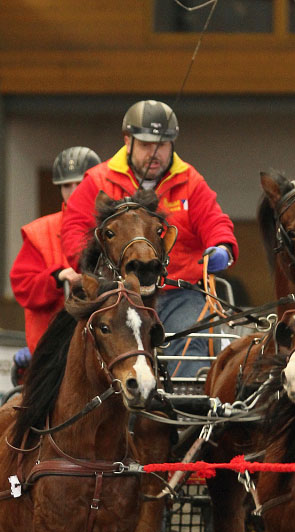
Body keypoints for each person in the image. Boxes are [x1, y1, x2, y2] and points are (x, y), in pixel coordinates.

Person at [61, 100, 239, 378]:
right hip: (116, 294)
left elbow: (215, 221)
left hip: (179, 292)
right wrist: (88, 267)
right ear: (128, 140)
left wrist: (223, 248)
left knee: (189, 338)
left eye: (163, 145)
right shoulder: (99, 179)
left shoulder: (190, 181)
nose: (154, 153)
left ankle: (184, 410)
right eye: (145, 144)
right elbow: (73, 227)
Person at [9, 145, 101, 377]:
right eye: (66, 185)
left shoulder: (116, 229)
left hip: (108, 350)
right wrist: (58, 277)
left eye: (79, 184)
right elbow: (23, 287)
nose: (73, 191)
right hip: (54, 353)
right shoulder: (39, 232)